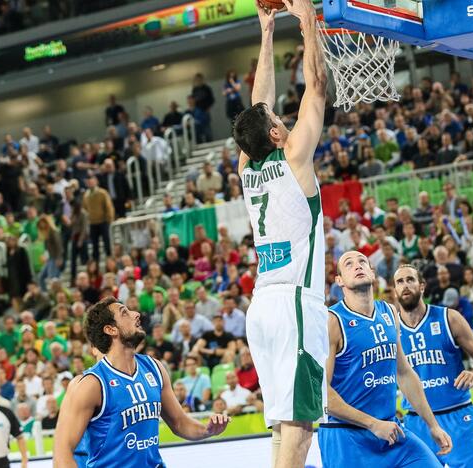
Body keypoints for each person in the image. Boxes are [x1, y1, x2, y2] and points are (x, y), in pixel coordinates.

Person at [231, 2, 329, 466]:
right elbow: (318, 86)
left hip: (261, 308)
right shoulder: (293, 158)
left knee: (282, 425)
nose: (281, 118)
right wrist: (307, 20)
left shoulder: (247, 166)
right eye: (276, 119)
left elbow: (257, 106)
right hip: (294, 303)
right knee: (301, 430)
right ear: (274, 134)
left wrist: (267, 33)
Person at [52, 298, 230, 466]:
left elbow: (179, 423)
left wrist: (208, 430)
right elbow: (62, 454)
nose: (136, 314)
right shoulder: (92, 384)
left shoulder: (154, 368)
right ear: (111, 329)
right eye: (124, 313)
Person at [320, 251, 451, 467]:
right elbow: (320, 392)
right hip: (346, 438)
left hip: (391, 430)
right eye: (349, 264)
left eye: (363, 261)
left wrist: (433, 425)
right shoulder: (332, 321)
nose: (357, 265)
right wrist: (372, 425)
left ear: (372, 272)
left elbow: (404, 372)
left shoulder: (389, 312)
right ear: (339, 281)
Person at [393, 264, 473, 467]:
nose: (405, 285)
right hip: (417, 421)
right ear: (395, 290)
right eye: (399, 282)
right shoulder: (390, 329)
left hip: (457, 415)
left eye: (410, 280)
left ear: (422, 286)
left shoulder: (450, 318)